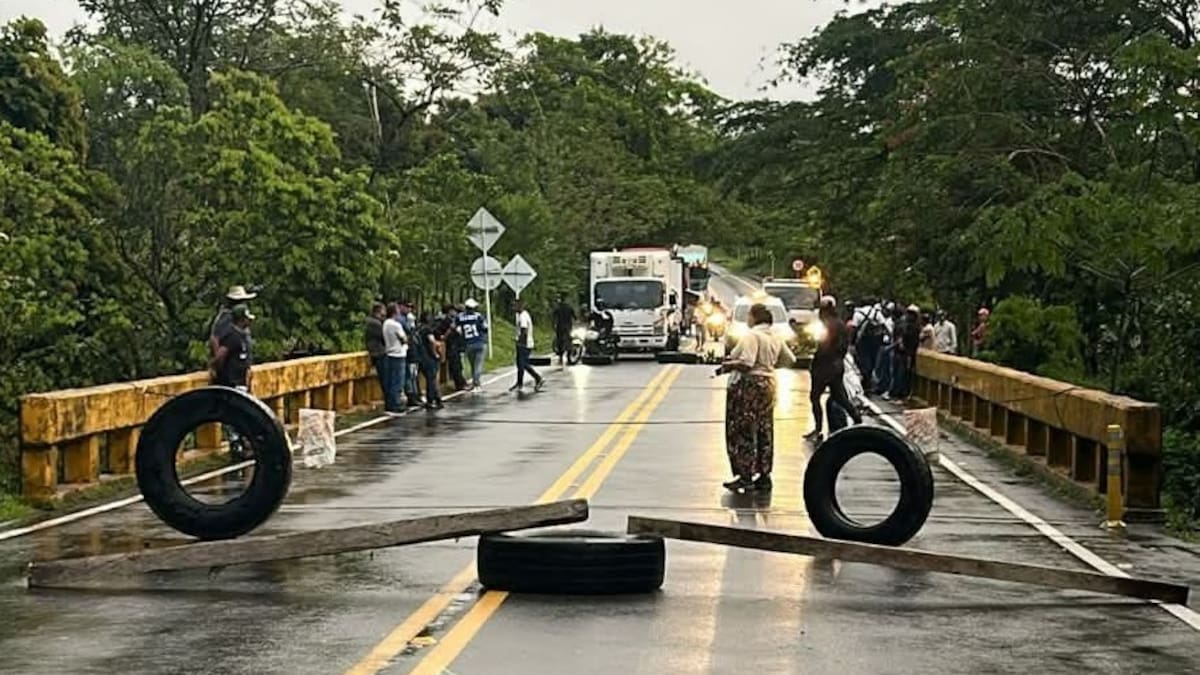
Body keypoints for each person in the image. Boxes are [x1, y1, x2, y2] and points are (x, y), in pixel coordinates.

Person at [717, 303, 796, 493]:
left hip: (750, 385)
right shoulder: (774, 337)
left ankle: (745, 475)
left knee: (743, 429)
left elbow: (747, 362)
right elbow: (790, 359)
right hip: (769, 385)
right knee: (764, 429)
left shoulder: (752, 336)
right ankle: (764, 474)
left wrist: (728, 366)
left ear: (754, 317)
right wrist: (769, 365)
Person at [806, 296, 863, 443]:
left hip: (824, 366)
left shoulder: (827, 325)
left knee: (815, 397)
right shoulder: (840, 324)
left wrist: (816, 356)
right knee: (840, 397)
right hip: (837, 365)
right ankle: (858, 420)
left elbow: (824, 346)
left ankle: (818, 429)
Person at [211, 304, 255, 461]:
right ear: (241, 320)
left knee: (242, 414)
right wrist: (216, 368)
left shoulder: (244, 336)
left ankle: (244, 444)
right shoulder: (233, 336)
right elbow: (221, 355)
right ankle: (236, 446)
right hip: (232, 382)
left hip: (241, 381)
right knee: (233, 416)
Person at [208, 284, 257, 375]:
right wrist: (218, 365)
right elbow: (215, 338)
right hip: (230, 370)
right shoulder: (227, 317)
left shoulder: (235, 318)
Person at [887, 304, 921, 400]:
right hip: (900, 353)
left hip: (908, 354)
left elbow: (912, 342)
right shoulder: (904, 325)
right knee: (897, 373)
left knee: (904, 374)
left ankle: (902, 394)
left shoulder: (914, 327)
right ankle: (896, 392)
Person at [511, 299, 545, 392]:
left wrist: (521, 342)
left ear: (520, 306)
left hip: (524, 343)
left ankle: (537, 378)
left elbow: (524, 331)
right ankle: (519, 382)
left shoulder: (523, 317)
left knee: (523, 364)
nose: (513, 308)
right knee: (520, 364)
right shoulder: (523, 315)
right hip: (525, 342)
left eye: (514, 306)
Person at [382, 303, 409, 413]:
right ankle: (396, 404)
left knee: (391, 381)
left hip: (389, 353)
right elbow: (404, 339)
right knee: (398, 381)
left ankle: (390, 404)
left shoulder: (385, 323)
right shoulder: (395, 325)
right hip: (398, 354)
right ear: (394, 312)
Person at [458, 298, 489, 390]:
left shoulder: (460, 317)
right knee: (478, 365)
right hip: (479, 342)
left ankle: (475, 382)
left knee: (472, 365)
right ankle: (476, 384)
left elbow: (454, 327)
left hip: (468, 343)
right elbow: (485, 328)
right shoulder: (478, 316)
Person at [417, 312, 444, 409]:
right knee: (431, 379)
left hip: (420, 356)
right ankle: (431, 400)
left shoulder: (418, 329)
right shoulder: (427, 329)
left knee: (429, 379)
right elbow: (432, 341)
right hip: (428, 356)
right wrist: (435, 353)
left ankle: (437, 399)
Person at [441, 304, 468, 391]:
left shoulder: (452, 320)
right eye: (453, 310)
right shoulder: (446, 321)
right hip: (451, 346)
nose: (455, 312)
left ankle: (461, 382)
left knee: (458, 365)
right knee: (455, 366)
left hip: (455, 345)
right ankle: (459, 384)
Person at [365, 302, 387, 396]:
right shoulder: (375, 323)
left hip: (374, 351)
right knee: (385, 378)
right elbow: (383, 337)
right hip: (377, 352)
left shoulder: (371, 321)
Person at [552, 295, 576, 365]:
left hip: (560, 327)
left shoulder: (558, 308)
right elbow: (574, 317)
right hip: (568, 327)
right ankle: (568, 358)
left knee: (560, 342)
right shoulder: (569, 307)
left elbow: (554, 317)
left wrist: (553, 325)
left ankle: (560, 358)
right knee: (569, 342)